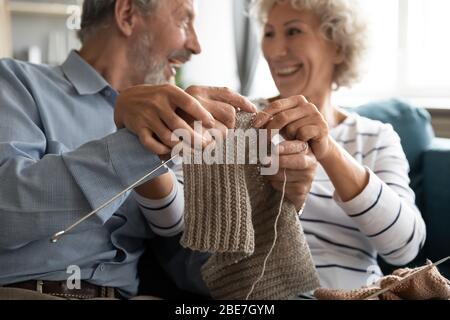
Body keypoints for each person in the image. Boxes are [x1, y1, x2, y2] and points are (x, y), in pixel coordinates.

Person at [0, 0, 316, 300]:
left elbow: (202, 272)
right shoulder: (16, 83)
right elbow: (7, 212)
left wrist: (278, 201)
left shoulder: (188, 130)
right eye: (184, 19)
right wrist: (140, 146)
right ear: (126, 14)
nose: (196, 45)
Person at [250, 0, 426, 292]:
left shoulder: (375, 137)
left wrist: (328, 149)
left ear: (339, 46)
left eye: (293, 32)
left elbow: (405, 247)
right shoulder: (244, 120)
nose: (276, 52)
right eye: (269, 34)